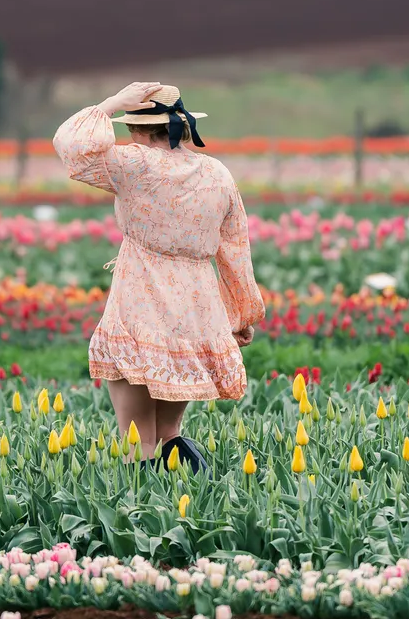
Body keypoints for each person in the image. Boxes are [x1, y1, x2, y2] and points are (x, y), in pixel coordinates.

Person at [53, 82, 265, 469]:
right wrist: (240, 312)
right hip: (196, 305)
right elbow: (235, 246)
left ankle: (141, 514)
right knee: (169, 432)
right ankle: (187, 499)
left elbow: (72, 146)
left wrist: (110, 103)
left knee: (137, 438)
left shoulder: (134, 164)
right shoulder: (216, 172)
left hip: (143, 293)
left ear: (135, 129)